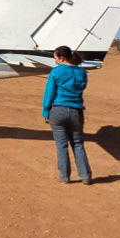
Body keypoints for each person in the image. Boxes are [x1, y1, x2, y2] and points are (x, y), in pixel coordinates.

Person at [41, 46, 91, 184]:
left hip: (58, 110)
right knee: (78, 143)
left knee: (61, 144)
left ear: (61, 58)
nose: (55, 61)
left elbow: (49, 93)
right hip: (76, 111)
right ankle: (85, 175)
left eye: (55, 58)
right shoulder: (82, 72)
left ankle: (64, 177)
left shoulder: (56, 72)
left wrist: (45, 111)